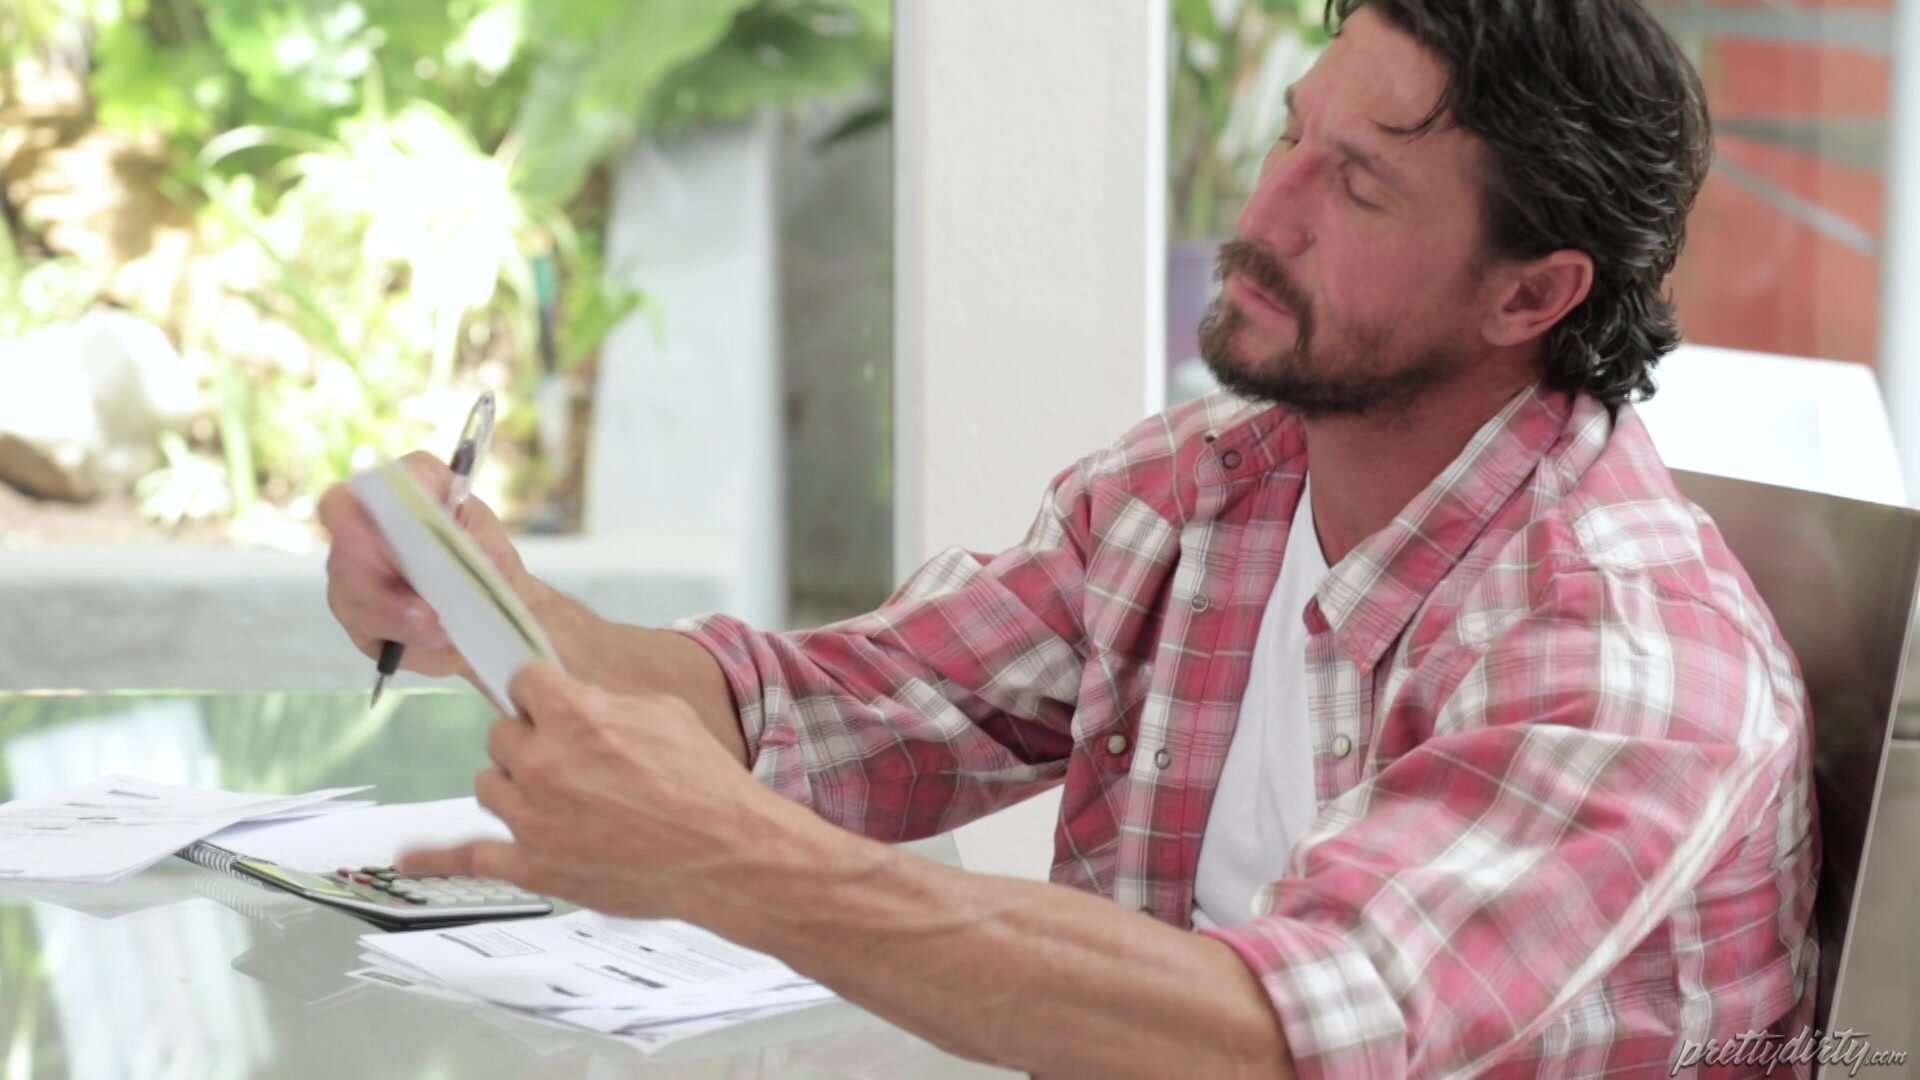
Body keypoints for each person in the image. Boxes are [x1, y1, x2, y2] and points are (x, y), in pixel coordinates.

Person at [320, 1, 1818, 1075]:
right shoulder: (1204, 492)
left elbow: (1283, 1039)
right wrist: (491, 608)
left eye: (1358, 184)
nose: (1269, 208)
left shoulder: (1628, 655)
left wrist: (733, 862)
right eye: (1293, 134)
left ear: (1531, 296)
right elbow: (831, 714)